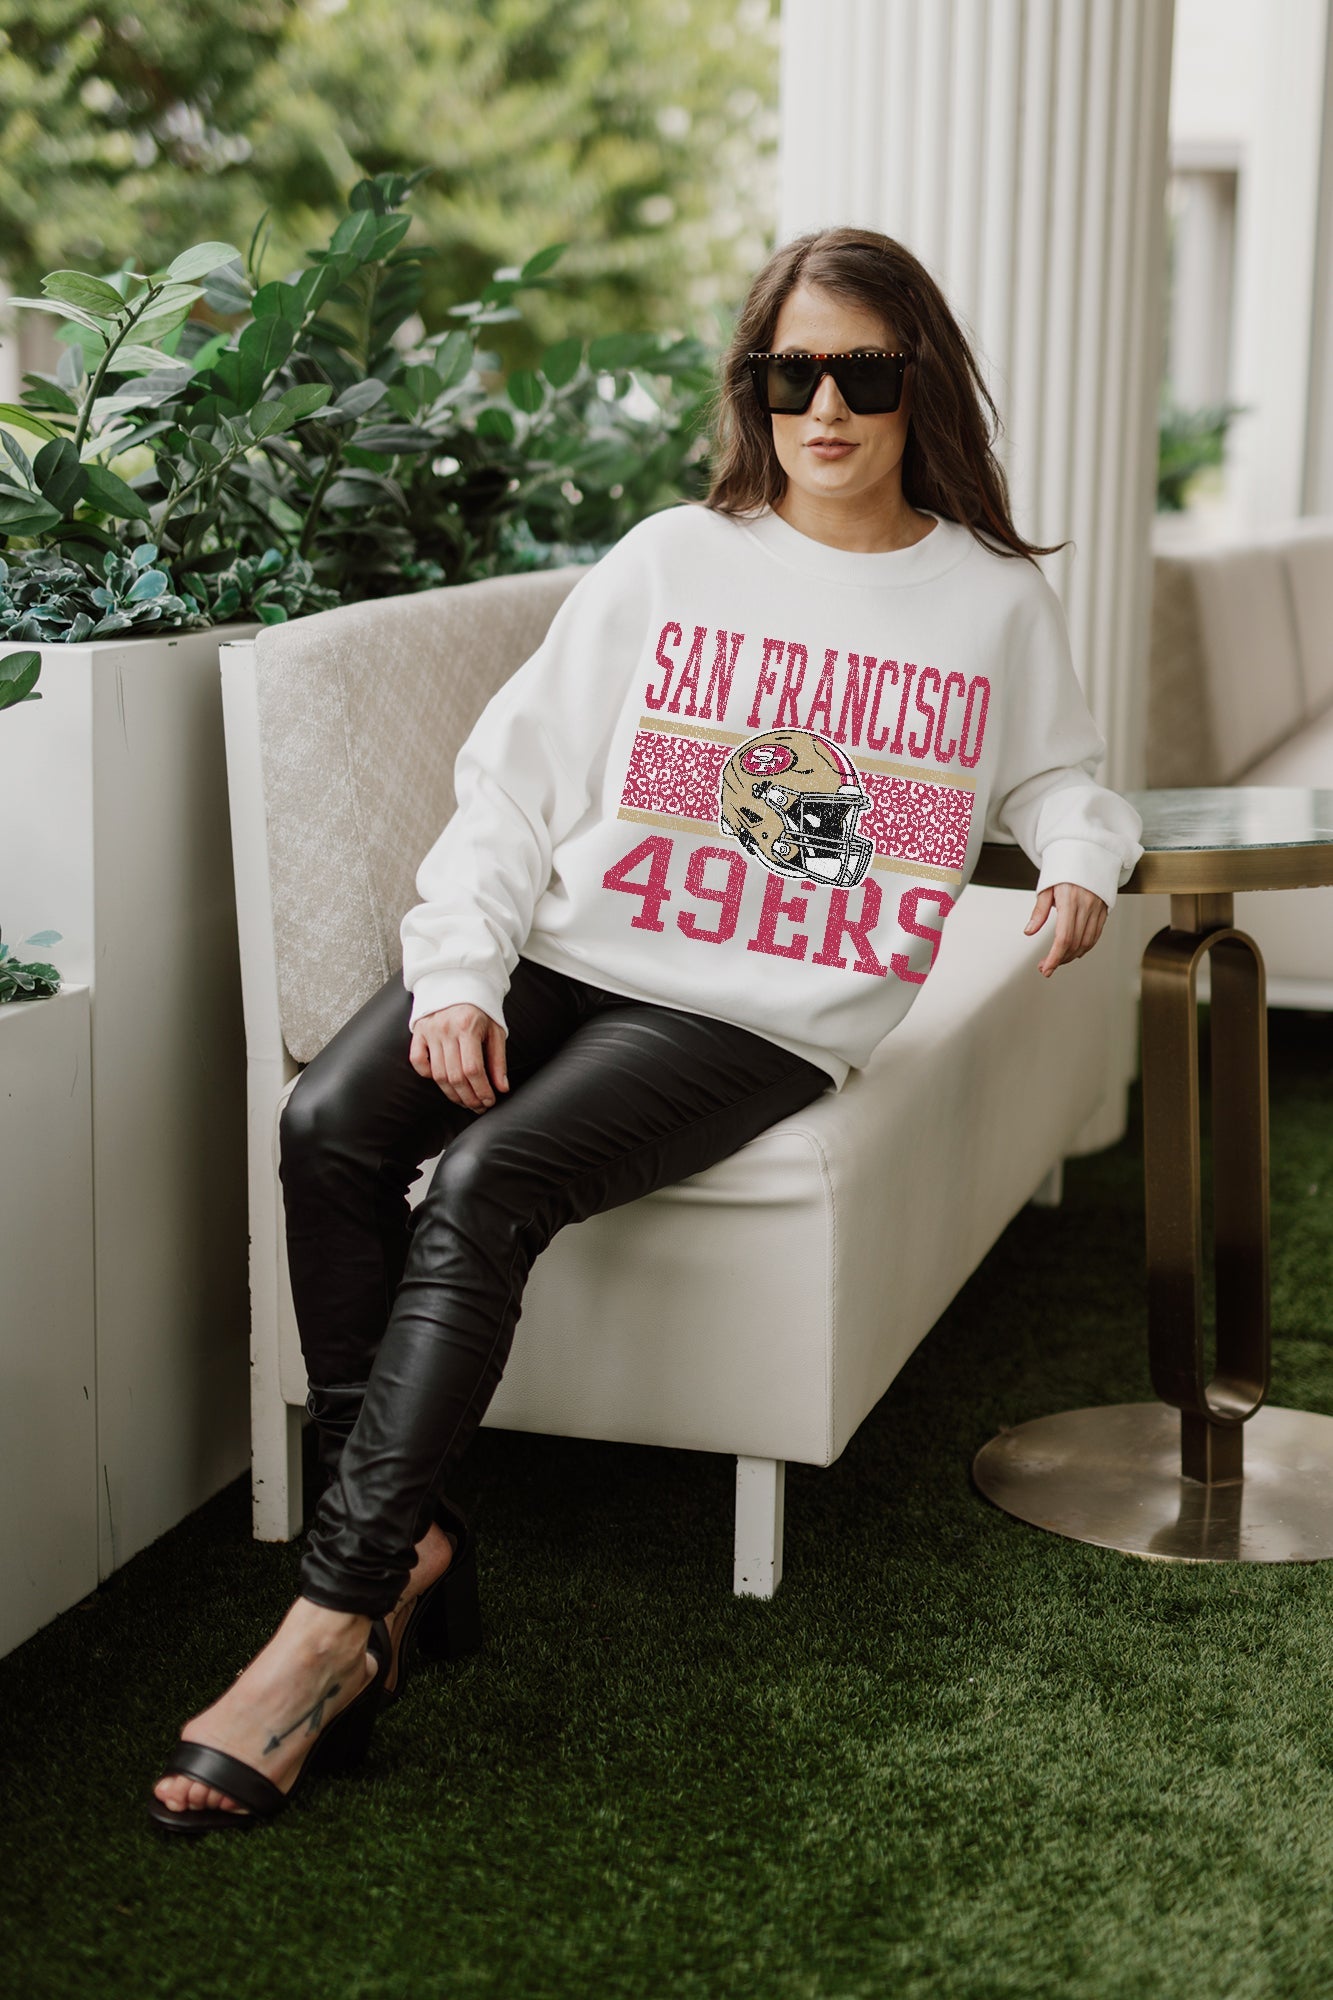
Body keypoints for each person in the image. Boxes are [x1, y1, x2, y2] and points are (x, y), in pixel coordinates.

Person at [149, 225, 1145, 1831]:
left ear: (919, 384)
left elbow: (1054, 777)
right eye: (790, 374)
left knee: (490, 1182)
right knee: (329, 1125)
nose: (826, 409)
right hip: (574, 947)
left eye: (863, 373)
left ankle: (327, 1626)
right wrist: (461, 973)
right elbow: (515, 782)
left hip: (758, 1008)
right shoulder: (673, 558)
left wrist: (1082, 854)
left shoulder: (987, 597)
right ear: (754, 385)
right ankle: (408, 1547)